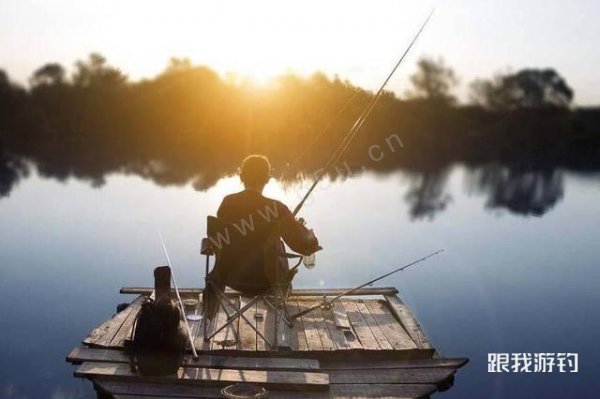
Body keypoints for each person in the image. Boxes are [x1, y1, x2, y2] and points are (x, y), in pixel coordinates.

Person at [217, 154, 320, 257]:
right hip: (265, 272)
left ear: (241, 177)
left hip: (226, 272)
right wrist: (303, 230)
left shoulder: (227, 203)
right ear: (267, 179)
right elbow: (307, 246)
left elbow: (221, 239)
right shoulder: (277, 209)